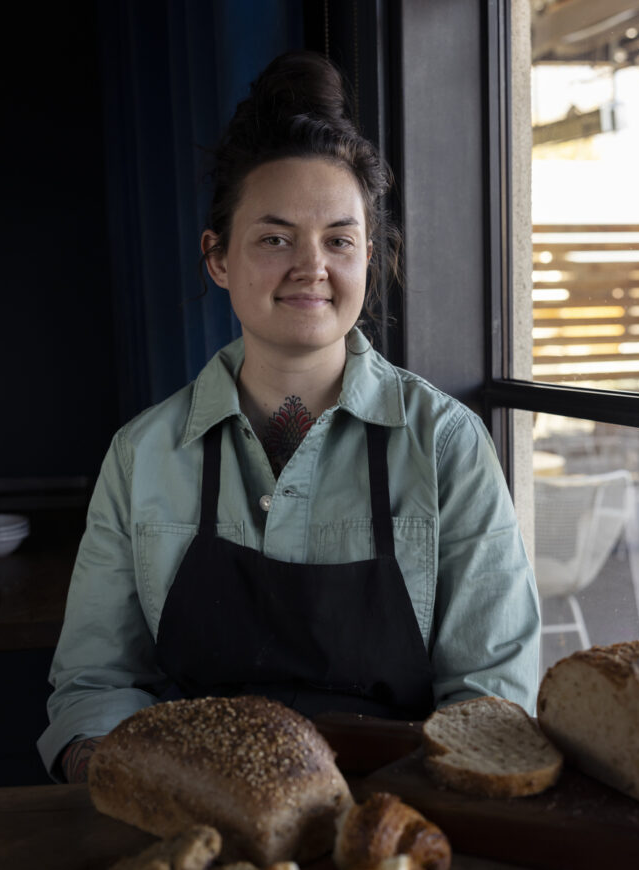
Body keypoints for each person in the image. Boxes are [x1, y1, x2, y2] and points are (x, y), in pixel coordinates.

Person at [38, 51, 540, 783]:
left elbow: (491, 696)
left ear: (368, 257)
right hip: (197, 813)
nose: (312, 267)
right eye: (275, 238)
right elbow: (93, 683)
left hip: (395, 813)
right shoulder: (143, 455)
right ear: (217, 256)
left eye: (338, 240)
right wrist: (117, 769)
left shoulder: (445, 446)